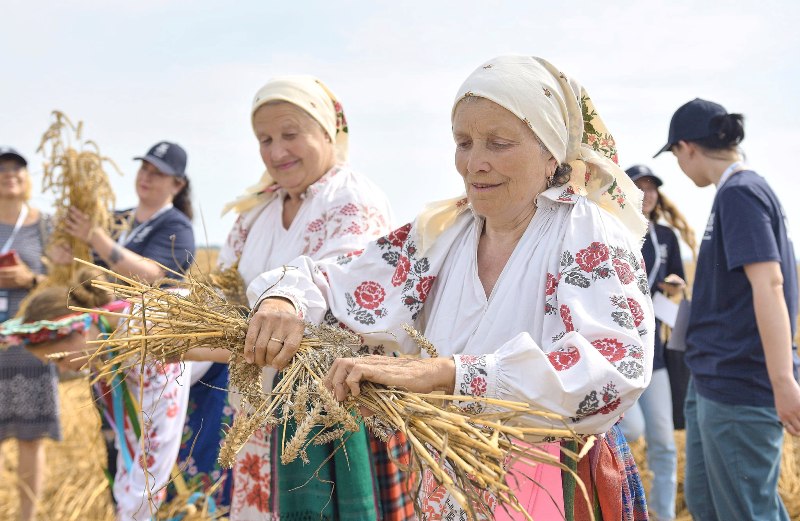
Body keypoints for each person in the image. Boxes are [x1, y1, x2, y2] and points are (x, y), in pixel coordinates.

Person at [244, 56, 654, 520]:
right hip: (450, 480)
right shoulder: (442, 234)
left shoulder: (587, 233)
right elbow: (336, 282)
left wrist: (452, 374)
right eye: (463, 142)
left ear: (550, 153)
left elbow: (614, 366)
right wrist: (285, 297)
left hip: (556, 477)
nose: (475, 162)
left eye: (498, 143)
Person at [196, 75, 410, 521]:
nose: (276, 152)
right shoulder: (253, 215)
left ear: (327, 133)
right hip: (259, 409)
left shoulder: (352, 200)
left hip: (332, 413)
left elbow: (340, 313)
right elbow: (225, 297)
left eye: (291, 134)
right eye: (265, 139)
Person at [60, 143, 232, 507]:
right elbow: (86, 278)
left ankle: (150, 510)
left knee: (157, 447)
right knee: (117, 441)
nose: (146, 177)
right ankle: (126, 507)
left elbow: (157, 276)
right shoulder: (115, 219)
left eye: (158, 172)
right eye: (144, 168)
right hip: (109, 352)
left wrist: (96, 239)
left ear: (178, 184)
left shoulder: (176, 226)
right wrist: (67, 254)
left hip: (154, 354)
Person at [655, 98, 800, 521]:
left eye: (676, 156)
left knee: (745, 512)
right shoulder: (733, 195)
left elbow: (769, 284)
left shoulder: (741, 194)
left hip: (740, 382)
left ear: (687, 148)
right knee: (709, 505)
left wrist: (783, 381)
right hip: (714, 377)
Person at [0, 267, 190, 520]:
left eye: (59, 358)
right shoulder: (104, 353)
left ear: (77, 330)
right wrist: (127, 502)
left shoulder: (145, 334)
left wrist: (134, 511)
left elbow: (159, 437)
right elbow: (132, 438)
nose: (62, 368)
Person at [620, 165, 693, 521]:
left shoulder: (665, 237)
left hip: (656, 355)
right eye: (639, 186)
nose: (647, 193)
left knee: (664, 442)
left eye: (652, 187)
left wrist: (674, 288)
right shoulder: (613, 229)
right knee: (631, 429)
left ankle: (661, 516)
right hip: (618, 352)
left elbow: (676, 282)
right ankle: (621, 504)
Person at [0, 146, 60, 521]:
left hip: (31, 346)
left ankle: (26, 517)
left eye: (16, 168)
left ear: (27, 177)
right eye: (2, 169)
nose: (9, 175)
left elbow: (64, 283)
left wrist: (31, 279)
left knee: (30, 437)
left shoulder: (45, 225)